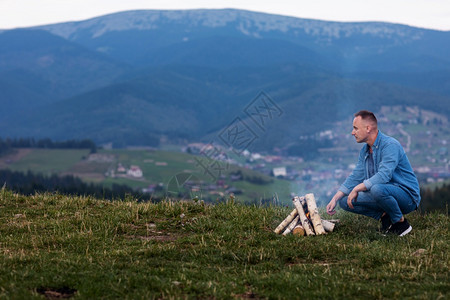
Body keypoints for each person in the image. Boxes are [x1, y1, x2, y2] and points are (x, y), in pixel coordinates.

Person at [326, 110, 420, 236]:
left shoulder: (390, 145)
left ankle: (400, 224)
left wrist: (357, 188)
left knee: (376, 189)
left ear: (368, 128)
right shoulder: (365, 151)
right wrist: (335, 198)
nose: (352, 132)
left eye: (355, 128)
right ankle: (386, 218)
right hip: (383, 193)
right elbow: (355, 176)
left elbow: (383, 176)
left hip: (407, 198)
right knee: (344, 201)